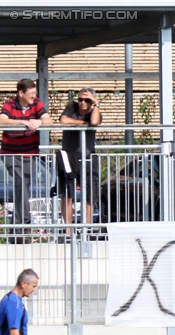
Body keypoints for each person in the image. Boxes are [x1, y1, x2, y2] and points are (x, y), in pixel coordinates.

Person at [0, 79, 53, 240]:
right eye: (31, 94)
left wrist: (40, 121)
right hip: (11, 153)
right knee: (21, 182)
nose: (34, 96)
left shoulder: (36, 103)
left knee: (22, 187)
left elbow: (49, 120)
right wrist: (22, 122)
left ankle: (19, 228)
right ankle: (23, 226)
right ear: (21, 93)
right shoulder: (10, 104)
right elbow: (1, 120)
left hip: (29, 153)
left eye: (35, 93)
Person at [59, 87, 102, 235]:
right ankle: (68, 231)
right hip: (69, 156)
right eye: (81, 99)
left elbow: (95, 122)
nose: (82, 102)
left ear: (92, 102)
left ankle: (86, 230)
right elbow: (63, 120)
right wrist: (84, 124)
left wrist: (96, 104)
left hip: (88, 157)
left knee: (89, 196)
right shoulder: (72, 106)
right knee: (67, 195)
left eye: (87, 100)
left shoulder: (95, 110)